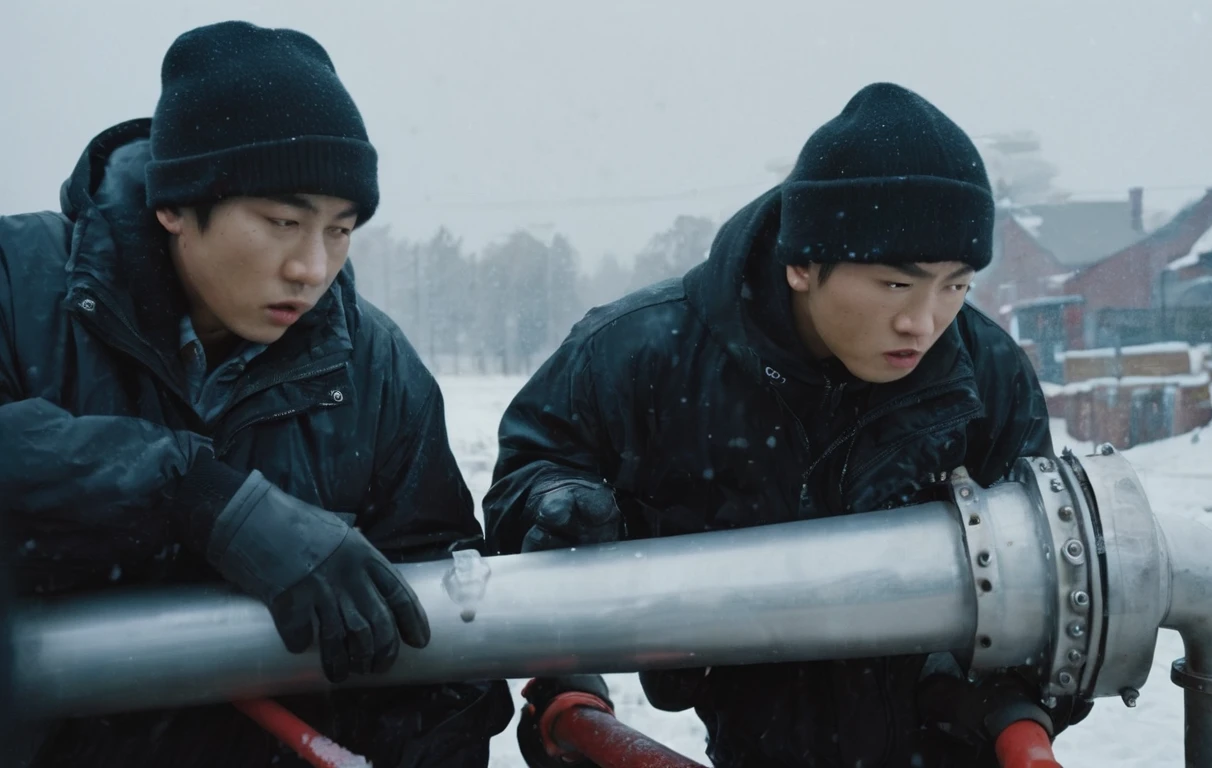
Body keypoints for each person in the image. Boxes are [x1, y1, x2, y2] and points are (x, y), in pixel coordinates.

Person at [485, 82, 1090, 767]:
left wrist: (995, 702)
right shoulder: (641, 355)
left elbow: (1052, 581)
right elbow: (523, 484)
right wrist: (561, 512)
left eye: (955, 286)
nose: (923, 322)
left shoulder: (986, 374)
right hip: (753, 740)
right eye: (897, 284)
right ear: (802, 264)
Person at [0, 21, 511, 767]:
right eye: (282, 222)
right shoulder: (19, 287)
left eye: (340, 231)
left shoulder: (375, 368)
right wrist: (199, 499)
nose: (312, 267)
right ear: (174, 205)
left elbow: (433, 633)